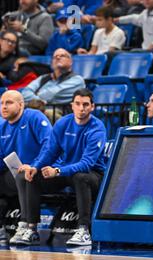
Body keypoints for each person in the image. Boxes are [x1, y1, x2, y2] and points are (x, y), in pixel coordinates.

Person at [15, 88, 107, 246]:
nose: (81, 108)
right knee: (32, 177)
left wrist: (57, 171)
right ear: (72, 105)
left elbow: (87, 164)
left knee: (81, 177)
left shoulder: (97, 128)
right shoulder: (63, 123)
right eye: (77, 104)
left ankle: (84, 230)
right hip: (65, 171)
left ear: (92, 107)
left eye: (85, 104)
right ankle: (32, 229)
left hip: (93, 175)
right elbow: (50, 152)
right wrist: (35, 167)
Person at [0, 90, 52, 244]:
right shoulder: (1, 126)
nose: (4, 107)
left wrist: (35, 165)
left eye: (8, 103)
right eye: (2, 103)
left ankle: (27, 227)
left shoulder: (34, 117)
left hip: (42, 171)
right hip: (15, 172)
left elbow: (49, 145)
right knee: (18, 175)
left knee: (24, 175)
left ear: (21, 104)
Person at [21, 48, 85, 120]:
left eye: (62, 56)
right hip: (37, 109)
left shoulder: (77, 80)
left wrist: (36, 96)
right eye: (55, 57)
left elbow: (54, 94)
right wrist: (38, 102)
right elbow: (25, 93)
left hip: (63, 115)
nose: (58, 57)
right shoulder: (43, 78)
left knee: (45, 114)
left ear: (70, 61)